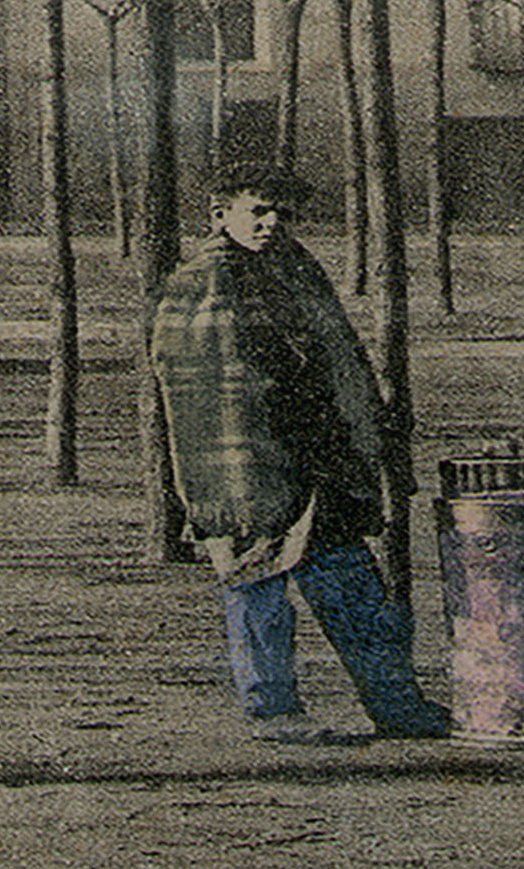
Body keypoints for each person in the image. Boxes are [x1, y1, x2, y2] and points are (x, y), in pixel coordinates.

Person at [150, 166, 451, 742]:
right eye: (258, 211)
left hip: (323, 459)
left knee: (353, 587)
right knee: (256, 589)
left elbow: (337, 358)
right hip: (247, 467)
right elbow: (201, 392)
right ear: (221, 216)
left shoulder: (297, 268)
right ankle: (273, 713)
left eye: (282, 214)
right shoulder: (197, 285)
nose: (271, 224)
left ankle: (396, 705)